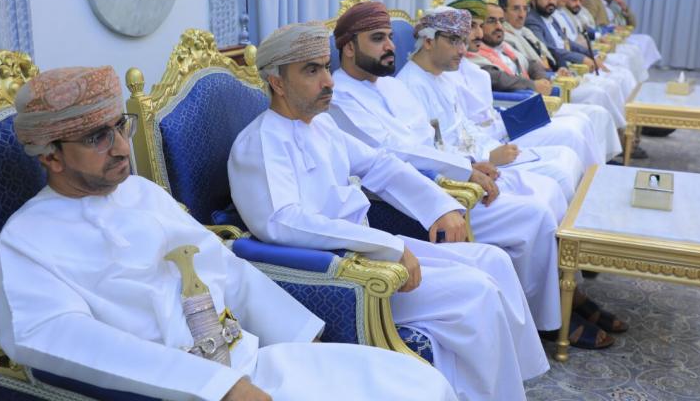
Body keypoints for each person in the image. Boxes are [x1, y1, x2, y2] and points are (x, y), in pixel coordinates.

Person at [0, 66, 460, 401]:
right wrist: (217, 387)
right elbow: (57, 338)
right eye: (97, 138)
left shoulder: (143, 193)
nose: (121, 149)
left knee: (419, 385)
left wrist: (300, 336)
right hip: (180, 390)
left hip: (253, 363)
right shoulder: (26, 244)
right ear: (50, 155)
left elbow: (227, 268)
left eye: (120, 127)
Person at [228, 21, 551, 400]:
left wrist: (439, 207)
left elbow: (379, 164)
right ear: (277, 83)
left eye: (325, 67)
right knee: (477, 294)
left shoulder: (322, 126)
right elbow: (283, 223)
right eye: (311, 71)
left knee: (492, 260)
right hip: (346, 272)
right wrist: (388, 248)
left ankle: (515, 385)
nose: (328, 81)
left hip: (371, 249)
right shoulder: (259, 143)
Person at [328, 1, 564, 335]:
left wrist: (469, 165)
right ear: (349, 48)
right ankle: (547, 321)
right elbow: (393, 153)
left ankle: (552, 302)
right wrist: (463, 171)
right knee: (534, 216)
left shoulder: (390, 84)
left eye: (390, 37)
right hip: (419, 196)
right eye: (378, 39)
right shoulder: (340, 97)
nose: (391, 46)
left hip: (448, 175)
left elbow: (427, 139)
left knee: (543, 197)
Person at [397, 6, 583, 201]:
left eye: (463, 41)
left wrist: (491, 149)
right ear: (428, 41)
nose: (462, 50)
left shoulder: (443, 77)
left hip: (481, 154)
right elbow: (429, 153)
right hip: (460, 181)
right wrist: (486, 157)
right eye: (454, 41)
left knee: (565, 157)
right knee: (557, 178)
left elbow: (464, 125)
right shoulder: (409, 87)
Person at [459, 0, 607, 166]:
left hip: (503, 123)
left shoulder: (501, 48)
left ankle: (598, 174)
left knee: (581, 122)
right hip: (497, 129)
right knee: (572, 134)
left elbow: (532, 63)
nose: (479, 33)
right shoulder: (470, 63)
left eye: (500, 21)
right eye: (490, 21)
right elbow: (499, 80)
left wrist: (544, 79)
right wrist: (533, 86)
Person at [496, 0, 623, 161]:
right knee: (584, 119)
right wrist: (538, 83)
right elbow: (502, 78)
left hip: (544, 86)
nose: (522, 14)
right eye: (516, 9)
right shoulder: (498, 42)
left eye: (524, 9)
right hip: (523, 103)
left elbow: (534, 63)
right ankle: (600, 163)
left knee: (593, 113)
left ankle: (605, 158)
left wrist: (549, 75)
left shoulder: (521, 33)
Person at [524, 0, 631, 131]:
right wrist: (582, 59)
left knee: (615, 80)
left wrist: (592, 55)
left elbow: (567, 42)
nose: (551, 1)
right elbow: (549, 49)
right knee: (600, 93)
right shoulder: (532, 21)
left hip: (569, 70)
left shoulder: (550, 18)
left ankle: (623, 129)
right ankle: (621, 130)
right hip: (559, 75)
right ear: (533, 0)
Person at [583, 0, 662, 68]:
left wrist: (624, 8)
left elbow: (633, 24)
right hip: (606, 38)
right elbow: (590, 25)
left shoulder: (614, 4)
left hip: (619, 37)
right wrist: (611, 28)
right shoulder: (592, 2)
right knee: (634, 51)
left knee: (646, 39)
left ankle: (643, 68)